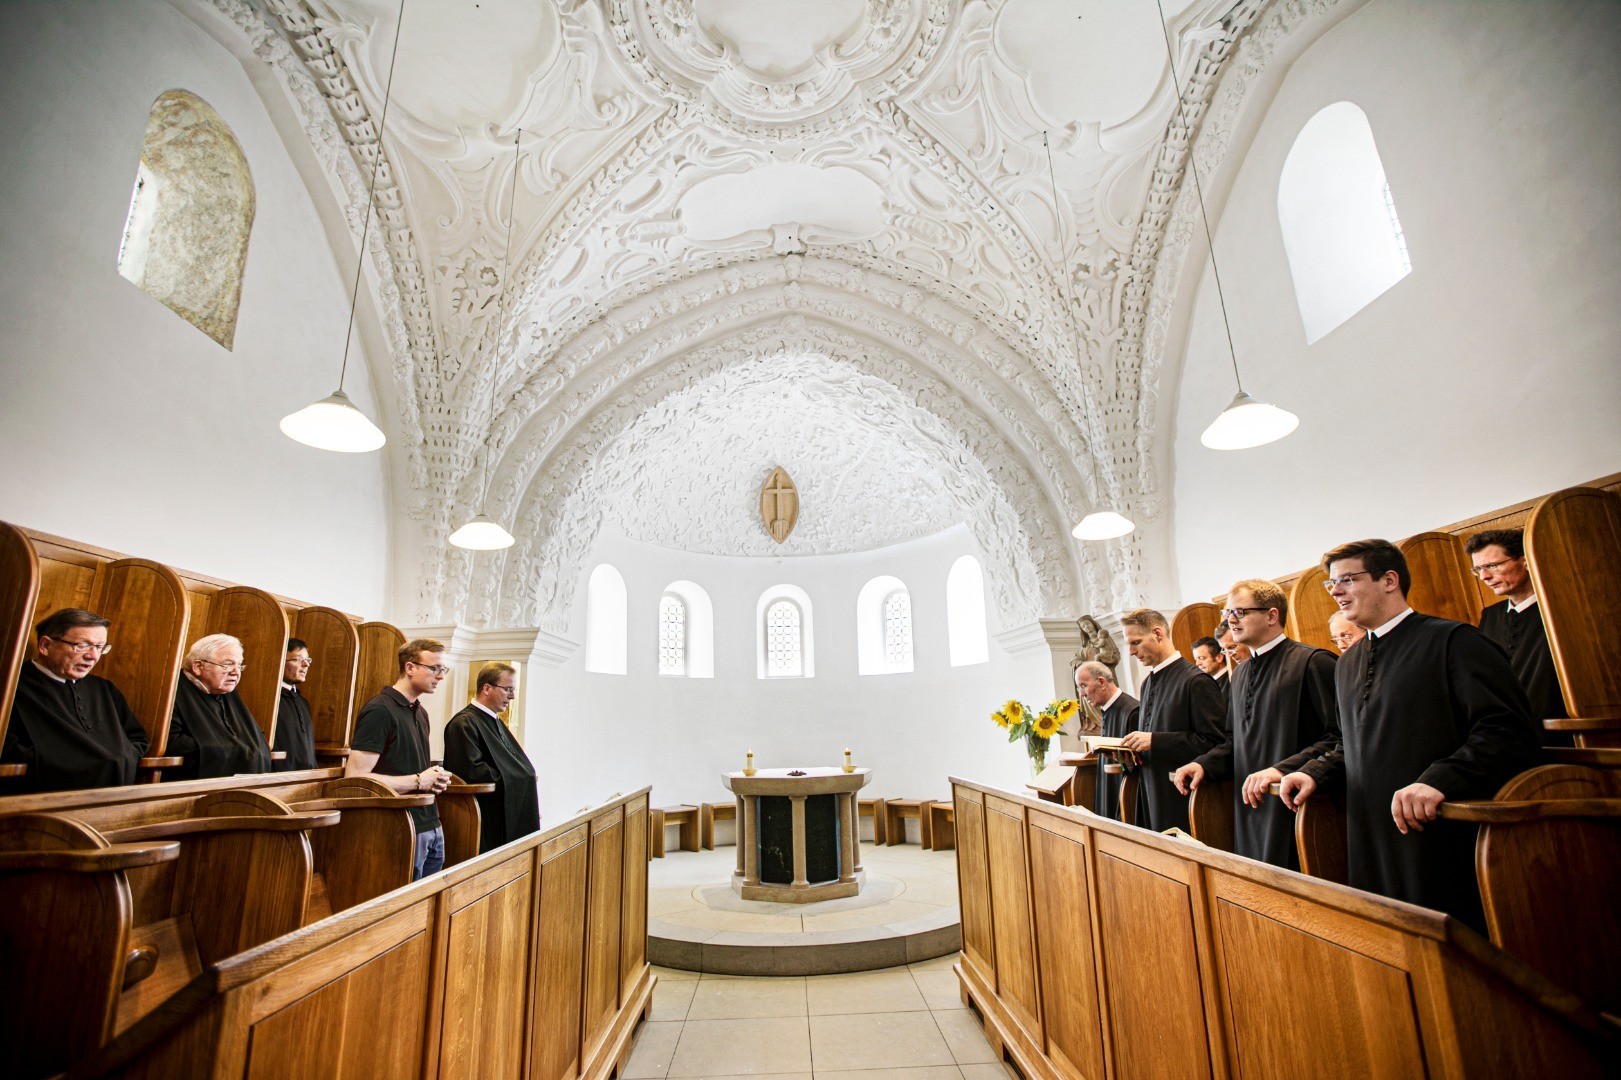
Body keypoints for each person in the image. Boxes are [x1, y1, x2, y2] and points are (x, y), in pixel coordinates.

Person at [1278, 539, 1540, 927]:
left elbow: (1507, 730)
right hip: (1369, 835)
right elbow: (1351, 741)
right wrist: (1312, 773)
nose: (1335, 591)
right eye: (1331, 584)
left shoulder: (1453, 641)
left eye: (1347, 580)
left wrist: (1439, 779)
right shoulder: (1348, 662)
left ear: (1389, 580)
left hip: (1436, 835)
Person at [1173, 580, 1339, 869]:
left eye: (1240, 612)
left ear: (1272, 616)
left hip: (1299, 810)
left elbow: (1338, 739)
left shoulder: (1313, 662)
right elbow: (1235, 741)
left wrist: (1281, 769)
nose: (1230, 620)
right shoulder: (1241, 672)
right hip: (1250, 810)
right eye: (1227, 613)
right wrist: (1203, 764)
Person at [1, 608, 148, 792]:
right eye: (82, 645)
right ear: (46, 646)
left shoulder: (104, 689)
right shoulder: (11, 686)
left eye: (100, 647)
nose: (93, 656)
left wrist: (124, 757)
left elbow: (138, 739)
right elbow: (10, 748)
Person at [348, 638, 454, 879]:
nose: (440, 677)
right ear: (410, 667)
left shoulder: (420, 711)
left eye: (443, 670)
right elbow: (354, 778)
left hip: (430, 822)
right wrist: (419, 781)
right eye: (434, 668)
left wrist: (434, 779)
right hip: (400, 827)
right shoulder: (380, 710)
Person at [1117, 609, 1224, 832]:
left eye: (1136, 642)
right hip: (1151, 794)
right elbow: (1146, 740)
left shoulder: (1196, 681)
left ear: (1157, 633)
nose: (1131, 651)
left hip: (1184, 800)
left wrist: (1155, 741)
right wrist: (1129, 753)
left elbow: (1214, 742)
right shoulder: (1148, 682)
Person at [1467, 528, 1568, 733]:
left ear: (1525, 561)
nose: (1484, 576)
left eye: (1492, 566)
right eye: (1478, 569)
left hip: (1560, 731)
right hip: (1508, 734)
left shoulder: (1560, 608)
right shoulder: (1490, 616)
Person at [442, 663, 540, 853]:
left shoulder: (494, 721)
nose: (511, 696)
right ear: (486, 688)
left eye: (513, 690)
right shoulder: (464, 723)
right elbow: (471, 771)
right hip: (485, 822)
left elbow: (516, 764)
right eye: (507, 689)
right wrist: (519, 778)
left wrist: (524, 776)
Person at [168, 633, 272, 780]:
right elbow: (171, 741)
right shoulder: (172, 691)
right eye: (228, 664)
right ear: (198, 666)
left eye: (239, 665)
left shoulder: (229, 694)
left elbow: (253, 738)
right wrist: (225, 747)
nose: (236, 672)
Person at [1074, 660, 1139, 821]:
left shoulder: (1132, 711)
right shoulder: (1108, 710)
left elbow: (1137, 767)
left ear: (1102, 682)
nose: (1081, 694)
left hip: (1126, 805)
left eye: (1083, 686)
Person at [273, 638, 318, 771]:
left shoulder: (303, 702)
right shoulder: (271, 700)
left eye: (308, 660)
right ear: (280, 660)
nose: (306, 665)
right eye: (298, 659)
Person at [1191, 634, 1230, 704]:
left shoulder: (1232, 679)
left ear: (1219, 657)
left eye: (1202, 658)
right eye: (1196, 659)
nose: (1197, 663)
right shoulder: (1205, 682)